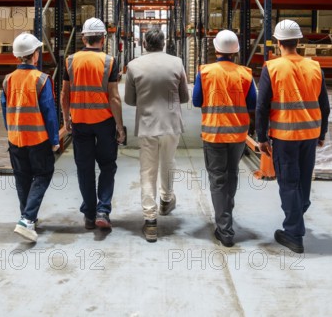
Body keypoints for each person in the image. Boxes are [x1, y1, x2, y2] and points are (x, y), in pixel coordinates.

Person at [256, 19, 330, 253]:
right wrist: (322, 133)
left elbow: (262, 106)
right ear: (299, 41)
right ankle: (299, 209)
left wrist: (261, 138)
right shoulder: (314, 66)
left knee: (288, 182)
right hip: (309, 134)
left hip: (285, 134)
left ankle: (293, 233)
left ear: (278, 42)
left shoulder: (273, 67)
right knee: (304, 179)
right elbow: (324, 105)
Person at [193, 30, 257, 248]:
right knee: (231, 175)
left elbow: (196, 100)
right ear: (236, 52)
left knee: (218, 179)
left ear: (216, 49)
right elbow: (252, 104)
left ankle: (225, 229)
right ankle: (226, 219)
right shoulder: (246, 73)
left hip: (214, 133)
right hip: (238, 134)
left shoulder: (205, 72)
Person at [124, 27, 189, 242]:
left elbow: (130, 100)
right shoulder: (177, 63)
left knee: (148, 170)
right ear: (164, 43)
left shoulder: (134, 66)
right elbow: (184, 97)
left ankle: (150, 221)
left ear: (144, 44)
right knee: (168, 163)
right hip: (171, 123)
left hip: (147, 124)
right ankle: (166, 200)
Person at [61, 17, 125, 231]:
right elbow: (114, 97)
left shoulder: (70, 60)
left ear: (83, 38)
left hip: (80, 123)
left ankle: (89, 213)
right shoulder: (109, 61)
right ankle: (103, 210)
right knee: (107, 166)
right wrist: (119, 126)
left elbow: (64, 94)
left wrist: (66, 118)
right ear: (103, 38)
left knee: (84, 168)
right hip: (105, 123)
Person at [1, 33, 60, 242]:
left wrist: (12, 132)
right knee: (44, 173)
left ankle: (28, 218)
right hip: (37, 138)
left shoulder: (8, 80)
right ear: (35, 55)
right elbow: (49, 113)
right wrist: (54, 140)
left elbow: (4, 110)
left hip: (15, 138)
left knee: (22, 178)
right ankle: (27, 220)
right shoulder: (41, 80)